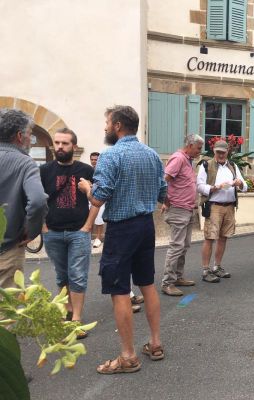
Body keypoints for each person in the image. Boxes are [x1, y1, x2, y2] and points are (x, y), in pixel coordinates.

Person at [78, 105, 167, 374]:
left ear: (118, 125)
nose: (105, 127)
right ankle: (155, 343)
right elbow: (163, 193)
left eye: (107, 122)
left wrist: (86, 188)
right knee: (147, 283)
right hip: (145, 226)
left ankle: (128, 356)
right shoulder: (152, 155)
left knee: (119, 290)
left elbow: (98, 197)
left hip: (121, 229)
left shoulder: (110, 155)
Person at [40, 128, 98, 335]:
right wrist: (43, 227)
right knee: (61, 275)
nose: (60, 147)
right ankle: (67, 311)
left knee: (78, 275)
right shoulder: (44, 171)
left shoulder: (86, 170)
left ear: (74, 146)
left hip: (78, 232)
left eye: (64, 143)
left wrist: (88, 226)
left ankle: (76, 319)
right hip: (52, 232)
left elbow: (98, 200)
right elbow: (37, 201)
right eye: (56, 143)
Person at [0, 109, 47, 288]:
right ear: (20, 136)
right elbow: (37, 201)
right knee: (6, 311)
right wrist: (32, 229)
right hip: (8, 249)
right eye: (30, 134)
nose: (31, 139)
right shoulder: (25, 162)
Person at [196, 139, 247, 283]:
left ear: (227, 152)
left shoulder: (233, 166)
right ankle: (206, 270)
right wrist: (214, 187)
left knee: (224, 237)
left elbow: (245, 187)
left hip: (230, 206)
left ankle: (217, 267)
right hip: (214, 206)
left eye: (223, 152)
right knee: (210, 238)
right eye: (218, 152)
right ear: (214, 151)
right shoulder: (206, 165)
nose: (220, 155)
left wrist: (240, 183)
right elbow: (199, 186)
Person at [160, 135, 204, 296]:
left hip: (187, 208)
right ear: (190, 145)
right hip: (178, 208)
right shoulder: (178, 158)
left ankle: (177, 277)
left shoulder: (187, 160)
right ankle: (168, 283)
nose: (200, 151)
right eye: (199, 148)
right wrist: (166, 201)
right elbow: (164, 180)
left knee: (184, 246)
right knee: (176, 246)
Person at [89, 151, 105, 248]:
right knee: (89, 217)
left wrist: (92, 185)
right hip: (89, 197)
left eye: (96, 159)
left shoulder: (103, 170)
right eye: (92, 159)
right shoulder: (88, 170)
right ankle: (88, 238)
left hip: (100, 197)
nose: (94, 161)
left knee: (99, 218)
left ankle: (98, 238)